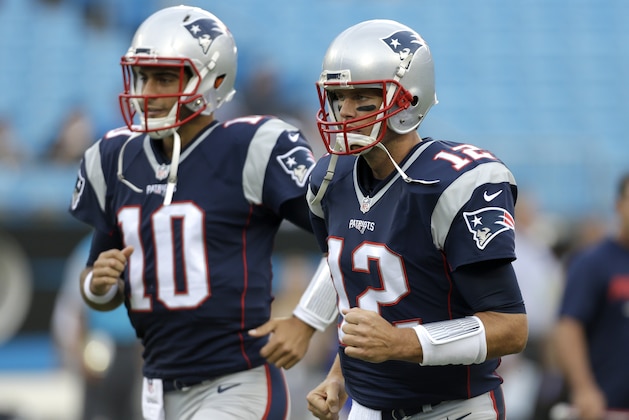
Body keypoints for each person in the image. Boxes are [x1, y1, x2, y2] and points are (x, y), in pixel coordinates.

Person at [68, 5, 336, 420]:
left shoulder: (252, 147)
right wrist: (98, 285)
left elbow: (348, 235)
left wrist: (307, 319)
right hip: (156, 386)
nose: (148, 90)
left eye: (164, 77)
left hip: (236, 380)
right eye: (143, 76)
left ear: (214, 80)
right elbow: (98, 285)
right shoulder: (114, 159)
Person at [303, 19, 528, 420]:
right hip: (366, 407)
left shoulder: (452, 183)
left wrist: (403, 343)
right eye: (338, 97)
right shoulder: (327, 180)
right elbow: (361, 300)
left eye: (364, 99)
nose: (345, 111)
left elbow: (510, 328)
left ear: (408, 100)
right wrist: (340, 375)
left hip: (454, 409)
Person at [553, 173, 629, 418]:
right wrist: (584, 388)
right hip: (606, 408)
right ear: (618, 205)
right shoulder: (592, 262)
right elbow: (568, 326)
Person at [51, 235, 142, 420]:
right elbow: (71, 308)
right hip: (100, 350)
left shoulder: (141, 245)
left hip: (135, 351)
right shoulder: (88, 249)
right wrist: (77, 354)